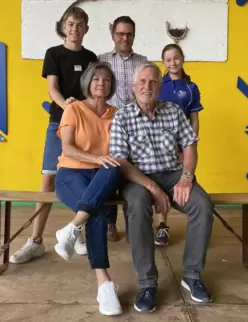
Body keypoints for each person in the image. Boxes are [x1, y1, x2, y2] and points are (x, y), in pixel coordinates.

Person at [109, 63, 214, 312]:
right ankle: (147, 283)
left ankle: (192, 275)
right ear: (134, 87)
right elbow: (121, 162)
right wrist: (153, 189)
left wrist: (187, 176)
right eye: (143, 82)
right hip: (137, 178)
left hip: (173, 174)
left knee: (202, 204)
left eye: (153, 82)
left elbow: (189, 145)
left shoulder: (174, 111)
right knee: (137, 205)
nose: (148, 86)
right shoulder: (122, 116)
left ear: (160, 86)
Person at [10, 6, 98, 264]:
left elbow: (92, 93)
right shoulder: (54, 54)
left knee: (83, 178)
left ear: (86, 29)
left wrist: (83, 110)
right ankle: (35, 241)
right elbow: (53, 89)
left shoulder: (92, 57)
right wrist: (68, 107)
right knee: (48, 180)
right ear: (63, 27)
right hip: (58, 124)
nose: (75, 29)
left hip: (84, 126)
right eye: (70, 24)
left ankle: (77, 231)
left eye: (80, 25)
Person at [54, 62, 123, 316]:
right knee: (97, 210)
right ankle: (103, 282)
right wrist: (96, 158)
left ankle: (72, 228)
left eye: (106, 80)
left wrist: (103, 162)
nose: (101, 84)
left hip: (102, 177)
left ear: (111, 85)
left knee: (114, 167)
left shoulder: (117, 113)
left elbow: (119, 152)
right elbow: (68, 148)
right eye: (96, 79)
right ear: (88, 83)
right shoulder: (74, 108)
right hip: (71, 173)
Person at [97, 15, 149, 243]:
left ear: (134, 36)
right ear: (113, 35)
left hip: (136, 127)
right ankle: (110, 224)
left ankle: (132, 225)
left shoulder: (143, 62)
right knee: (109, 173)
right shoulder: (101, 61)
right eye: (120, 34)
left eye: (128, 34)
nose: (124, 38)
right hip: (107, 125)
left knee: (133, 175)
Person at [153, 43, 204, 247]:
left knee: (184, 182)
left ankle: (197, 225)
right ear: (163, 63)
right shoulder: (158, 85)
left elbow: (194, 118)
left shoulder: (191, 88)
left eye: (176, 58)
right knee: (160, 186)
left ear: (182, 58)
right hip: (160, 146)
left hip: (182, 146)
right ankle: (162, 226)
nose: (172, 62)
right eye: (168, 60)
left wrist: (189, 144)